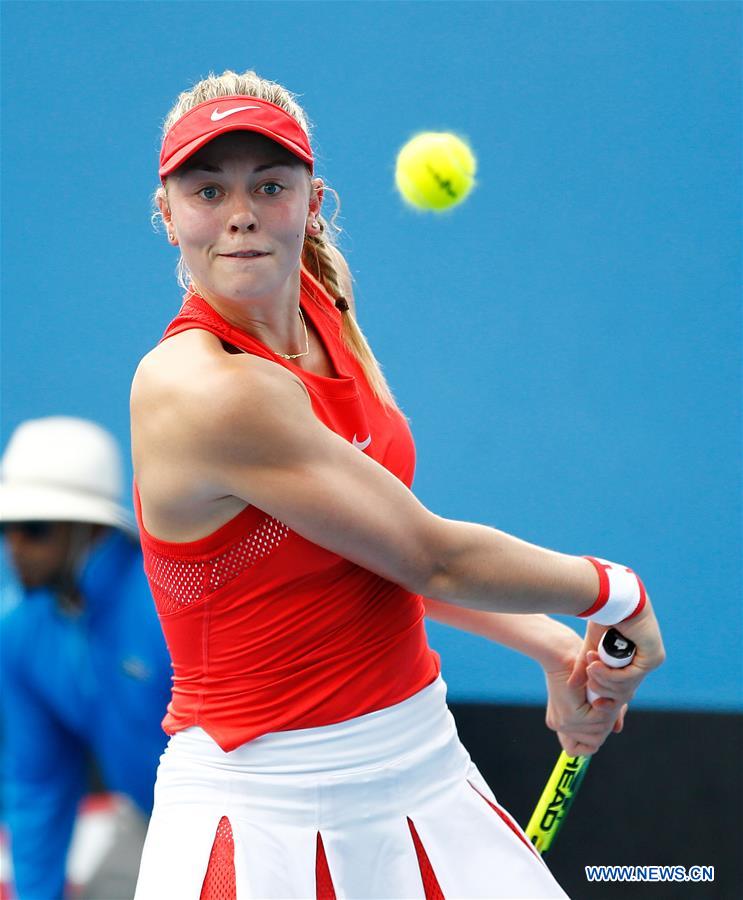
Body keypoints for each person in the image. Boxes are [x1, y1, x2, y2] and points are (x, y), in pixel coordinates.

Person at [130, 69, 665, 899]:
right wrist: (614, 594)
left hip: (422, 767)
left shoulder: (320, 308)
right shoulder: (202, 388)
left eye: (269, 186)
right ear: (168, 216)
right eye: (208, 190)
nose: (239, 213)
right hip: (259, 814)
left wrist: (551, 644)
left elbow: (364, 553)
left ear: (312, 202)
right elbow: (428, 557)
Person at [0, 417, 172, 899]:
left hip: (247, 818)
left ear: (88, 528)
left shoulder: (169, 603)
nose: (15, 548)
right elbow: (39, 787)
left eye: (34, 529)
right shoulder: (20, 633)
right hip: (145, 820)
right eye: (7, 529)